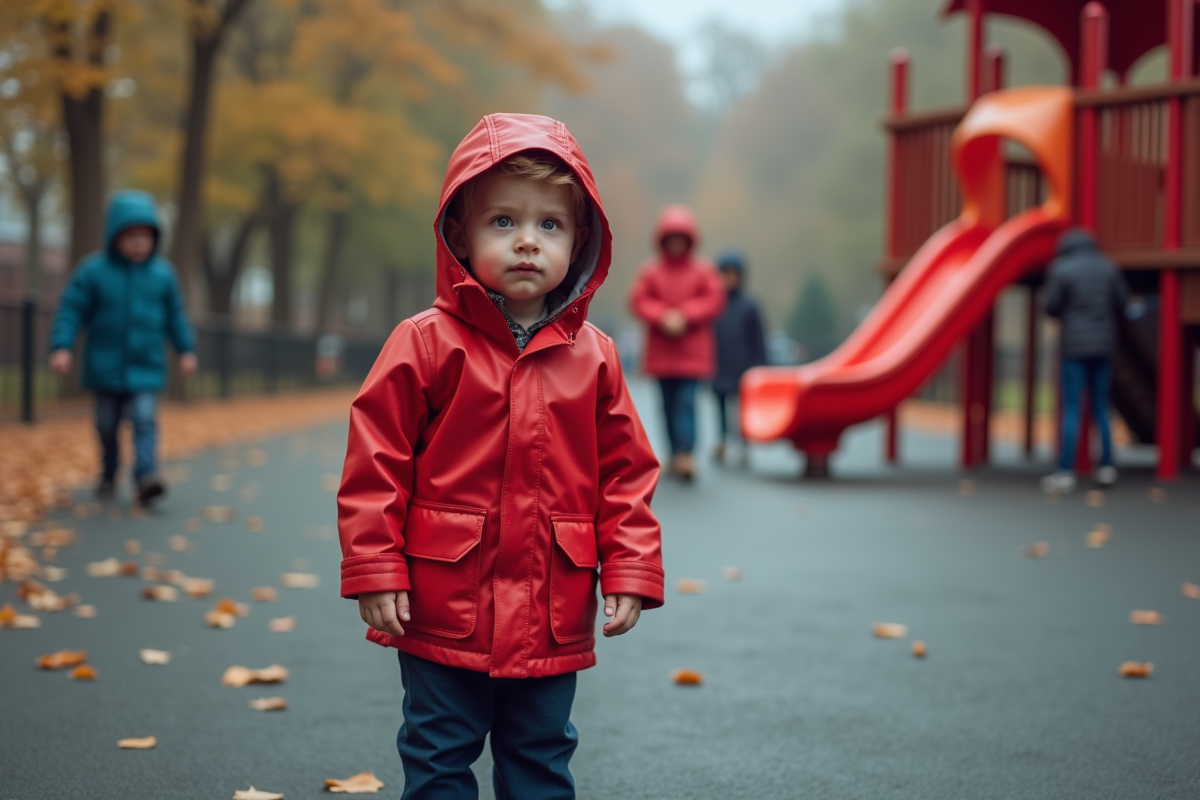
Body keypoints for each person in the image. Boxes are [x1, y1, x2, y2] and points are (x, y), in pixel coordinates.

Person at [337, 114, 665, 800]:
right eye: (503, 221)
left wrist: (630, 565)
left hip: (550, 607)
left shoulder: (595, 357)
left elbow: (625, 472)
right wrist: (375, 565)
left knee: (541, 759)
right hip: (442, 604)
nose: (527, 241)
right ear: (460, 236)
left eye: (551, 225)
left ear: (580, 242)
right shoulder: (426, 344)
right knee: (437, 755)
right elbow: (377, 461)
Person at [49, 190, 196, 506]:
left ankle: (145, 476)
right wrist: (62, 346)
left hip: (146, 365)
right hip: (105, 366)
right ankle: (109, 471)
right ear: (115, 236)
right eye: (131, 236)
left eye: (145, 236)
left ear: (155, 238)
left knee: (144, 420)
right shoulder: (93, 271)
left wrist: (186, 349)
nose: (139, 243)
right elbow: (71, 309)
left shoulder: (163, 275)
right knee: (106, 424)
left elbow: (176, 316)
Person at [628, 205, 725, 481]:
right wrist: (663, 316)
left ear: (689, 241)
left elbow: (714, 300)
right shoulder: (650, 272)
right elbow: (638, 300)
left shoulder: (703, 271)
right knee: (667, 406)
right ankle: (673, 453)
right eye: (672, 239)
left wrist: (684, 315)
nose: (676, 244)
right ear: (663, 241)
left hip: (691, 354)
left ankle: (686, 454)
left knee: (686, 403)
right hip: (662, 354)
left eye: (681, 239)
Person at [1040, 228, 1130, 493]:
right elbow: (1122, 301)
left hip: (1074, 348)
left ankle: (1065, 471)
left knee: (1072, 408)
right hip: (1103, 346)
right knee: (1101, 407)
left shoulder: (1061, 269)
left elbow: (1051, 307)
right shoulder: (1108, 268)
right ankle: (1106, 466)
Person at [711, 251, 767, 466]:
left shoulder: (749, 306)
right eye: (724, 274)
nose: (728, 278)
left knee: (741, 409)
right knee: (720, 407)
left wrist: (760, 365)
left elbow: (758, 338)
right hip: (719, 365)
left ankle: (743, 443)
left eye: (732, 274)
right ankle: (722, 440)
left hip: (743, 367)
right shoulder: (714, 304)